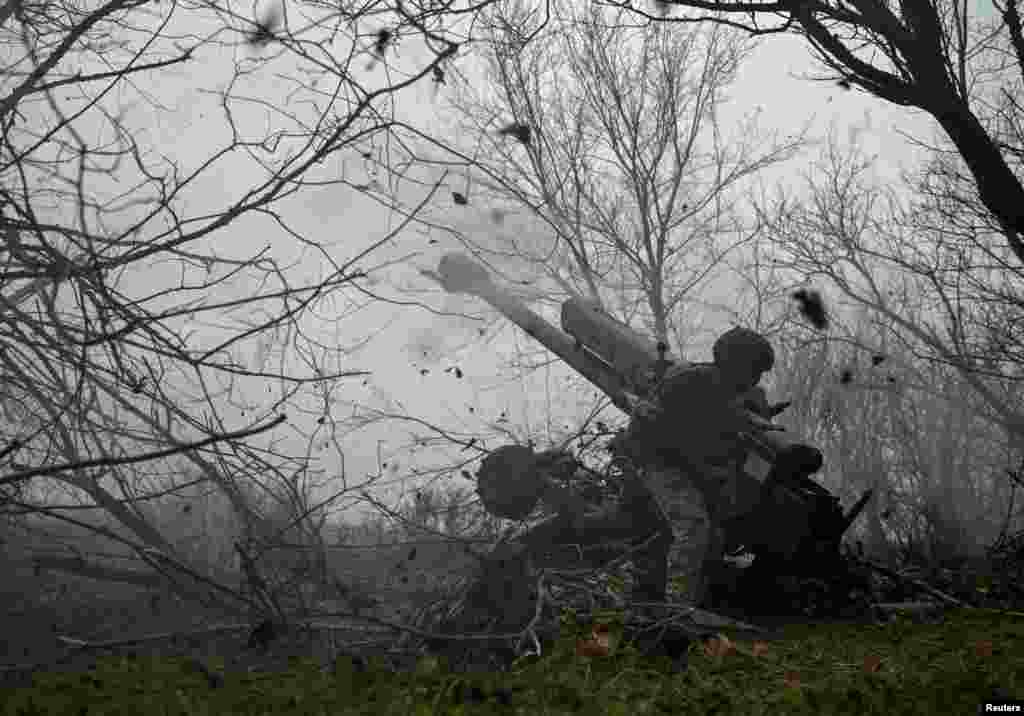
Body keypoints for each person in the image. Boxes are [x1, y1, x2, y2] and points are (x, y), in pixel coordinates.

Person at [611, 326, 779, 611]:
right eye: (753, 371)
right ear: (735, 365)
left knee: (715, 531)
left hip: (686, 466)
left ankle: (700, 603)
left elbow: (727, 434)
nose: (755, 380)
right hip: (658, 462)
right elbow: (659, 429)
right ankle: (677, 609)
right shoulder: (694, 382)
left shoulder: (726, 389)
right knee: (693, 526)